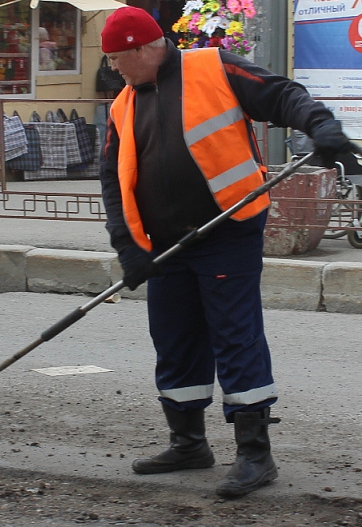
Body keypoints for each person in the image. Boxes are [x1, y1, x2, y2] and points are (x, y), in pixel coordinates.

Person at [98, 6, 358, 498]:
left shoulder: (212, 67)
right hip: (165, 245)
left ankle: (255, 455)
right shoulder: (122, 106)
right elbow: (112, 179)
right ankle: (188, 443)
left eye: (116, 58)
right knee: (174, 338)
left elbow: (282, 94)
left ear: (143, 49)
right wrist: (127, 245)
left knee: (235, 336)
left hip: (226, 230)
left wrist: (320, 125)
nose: (112, 68)